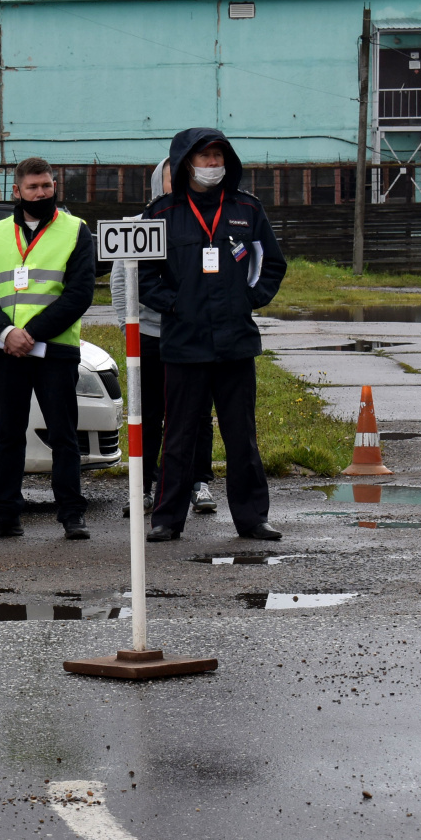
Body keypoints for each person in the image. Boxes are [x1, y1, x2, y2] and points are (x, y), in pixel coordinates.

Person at [139, 128, 287, 542]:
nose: (212, 165)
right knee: (180, 436)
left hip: (236, 342)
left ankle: (253, 518)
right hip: (184, 345)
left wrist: (250, 298)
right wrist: (173, 303)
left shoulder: (247, 209)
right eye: (204, 158)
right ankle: (167, 519)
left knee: (242, 437)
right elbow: (144, 275)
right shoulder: (161, 213)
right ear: (186, 162)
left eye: (218, 157)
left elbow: (271, 263)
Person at [0, 157, 96, 540]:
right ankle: (6, 514)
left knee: (63, 434)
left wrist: (32, 333)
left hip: (54, 350)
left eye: (46, 186)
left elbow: (79, 294)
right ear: (16, 191)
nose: (40, 193)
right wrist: (8, 332)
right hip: (7, 349)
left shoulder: (76, 230)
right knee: (8, 433)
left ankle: (72, 514)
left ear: (54, 186)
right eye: (33, 187)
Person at [109, 159, 216, 518]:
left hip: (192, 335)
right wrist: (128, 327)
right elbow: (121, 282)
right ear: (159, 183)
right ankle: (144, 486)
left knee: (196, 412)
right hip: (151, 335)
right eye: (173, 178)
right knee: (147, 413)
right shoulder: (140, 226)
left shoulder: (204, 223)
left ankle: (198, 483)